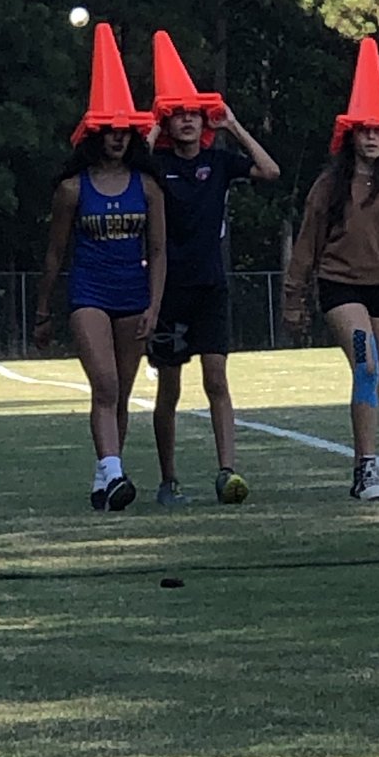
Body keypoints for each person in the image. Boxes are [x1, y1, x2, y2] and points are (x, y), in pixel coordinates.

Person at [282, 37, 379, 501]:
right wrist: (293, 298)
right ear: (350, 135)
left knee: (372, 378)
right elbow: (306, 245)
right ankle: (369, 469)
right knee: (366, 366)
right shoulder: (329, 185)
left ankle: (360, 465)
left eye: (378, 131)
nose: (371, 137)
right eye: (364, 130)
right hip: (340, 287)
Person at [34, 23, 166, 512]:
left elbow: (159, 250)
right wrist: (43, 312)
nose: (117, 137)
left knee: (121, 394)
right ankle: (114, 472)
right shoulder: (73, 189)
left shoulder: (147, 187)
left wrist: (154, 306)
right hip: (89, 292)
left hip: (133, 293)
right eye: (109, 130)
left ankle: (105, 477)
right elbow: (55, 253)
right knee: (105, 384)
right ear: (94, 133)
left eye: (124, 130)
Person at [146, 30, 280, 507]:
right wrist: (154, 125)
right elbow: (133, 163)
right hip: (168, 291)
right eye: (178, 113)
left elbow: (270, 172)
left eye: (193, 113)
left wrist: (233, 126)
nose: (187, 120)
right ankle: (168, 480)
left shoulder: (218, 162)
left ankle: (227, 472)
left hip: (210, 287)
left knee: (216, 380)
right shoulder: (156, 164)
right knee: (169, 388)